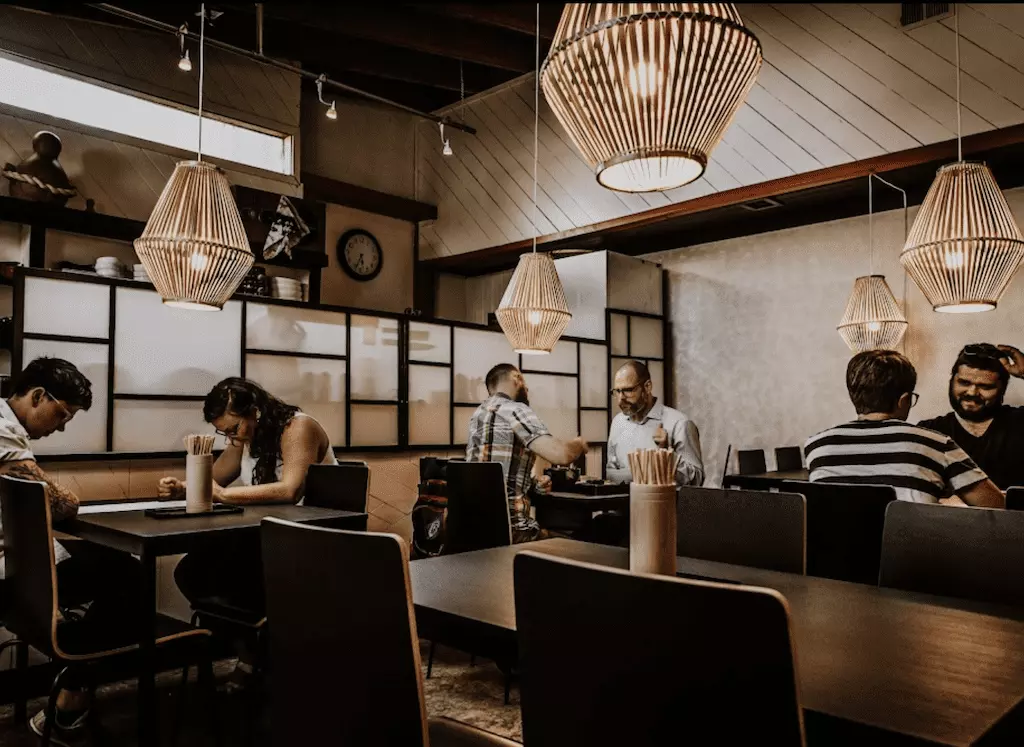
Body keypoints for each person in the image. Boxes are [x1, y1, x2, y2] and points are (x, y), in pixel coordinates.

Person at [0, 358, 143, 744]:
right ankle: (68, 702)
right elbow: (54, 501)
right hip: (13, 575)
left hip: (20, 565)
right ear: (37, 395)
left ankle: (70, 689)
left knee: (118, 569)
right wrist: (72, 499)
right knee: (131, 577)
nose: (62, 426)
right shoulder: (1, 429)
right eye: (61, 414)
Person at [159, 378, 338, 615]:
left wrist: (223, 495)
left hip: (310, 535)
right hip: (266, 531)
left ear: (256, 411)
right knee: (192, 572)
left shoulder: (297, 428)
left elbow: (290, 490)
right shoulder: (245, 436)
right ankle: (244, 637)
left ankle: (255, 637)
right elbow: (215, 480)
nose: (233, 438)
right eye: (224, 433)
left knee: (210, 573)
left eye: (234, 429)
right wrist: (182, 488)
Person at [805, 350, 1004, 507]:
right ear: (904, 400)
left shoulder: (816, 446)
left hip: (832, 557)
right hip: (908, 556)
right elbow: (995, 505)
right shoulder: (935, 443)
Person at [466, 364, 588, 543]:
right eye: (524, 381)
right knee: (581, 543)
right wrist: (579, 444)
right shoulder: (515, 410)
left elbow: (498, 478)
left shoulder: (476, 416)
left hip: (475, 531)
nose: (527, 388)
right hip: (514, 531)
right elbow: (561, 455)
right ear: (517, 379)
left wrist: (535, 485)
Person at [918, 343, 1024, 490]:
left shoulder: (1019, 423)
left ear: (1002, 389)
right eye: (964, 383)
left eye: (985, 387)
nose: (972, 392)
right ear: (951, 381)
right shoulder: (928, 431)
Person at [606, 360, 704, 486]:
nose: (620, 399)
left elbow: (697, 479)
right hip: (625, 503)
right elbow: (611, 473)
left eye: (628, 390)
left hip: (665, 503)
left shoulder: (679, 423)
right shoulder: (618, 422)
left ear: (647, 387)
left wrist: (666, 453)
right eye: (617, 392)